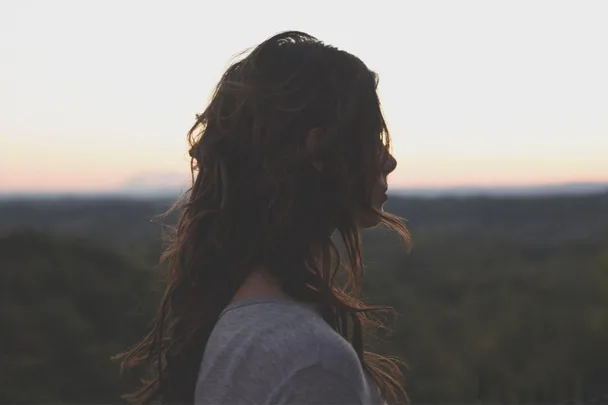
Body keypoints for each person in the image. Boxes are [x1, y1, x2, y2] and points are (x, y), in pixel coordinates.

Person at [114, 31, 410, 405]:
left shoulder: (238, 323)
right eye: (373, 138)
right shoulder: (312, 361)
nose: (389, 160)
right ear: (317, 148)